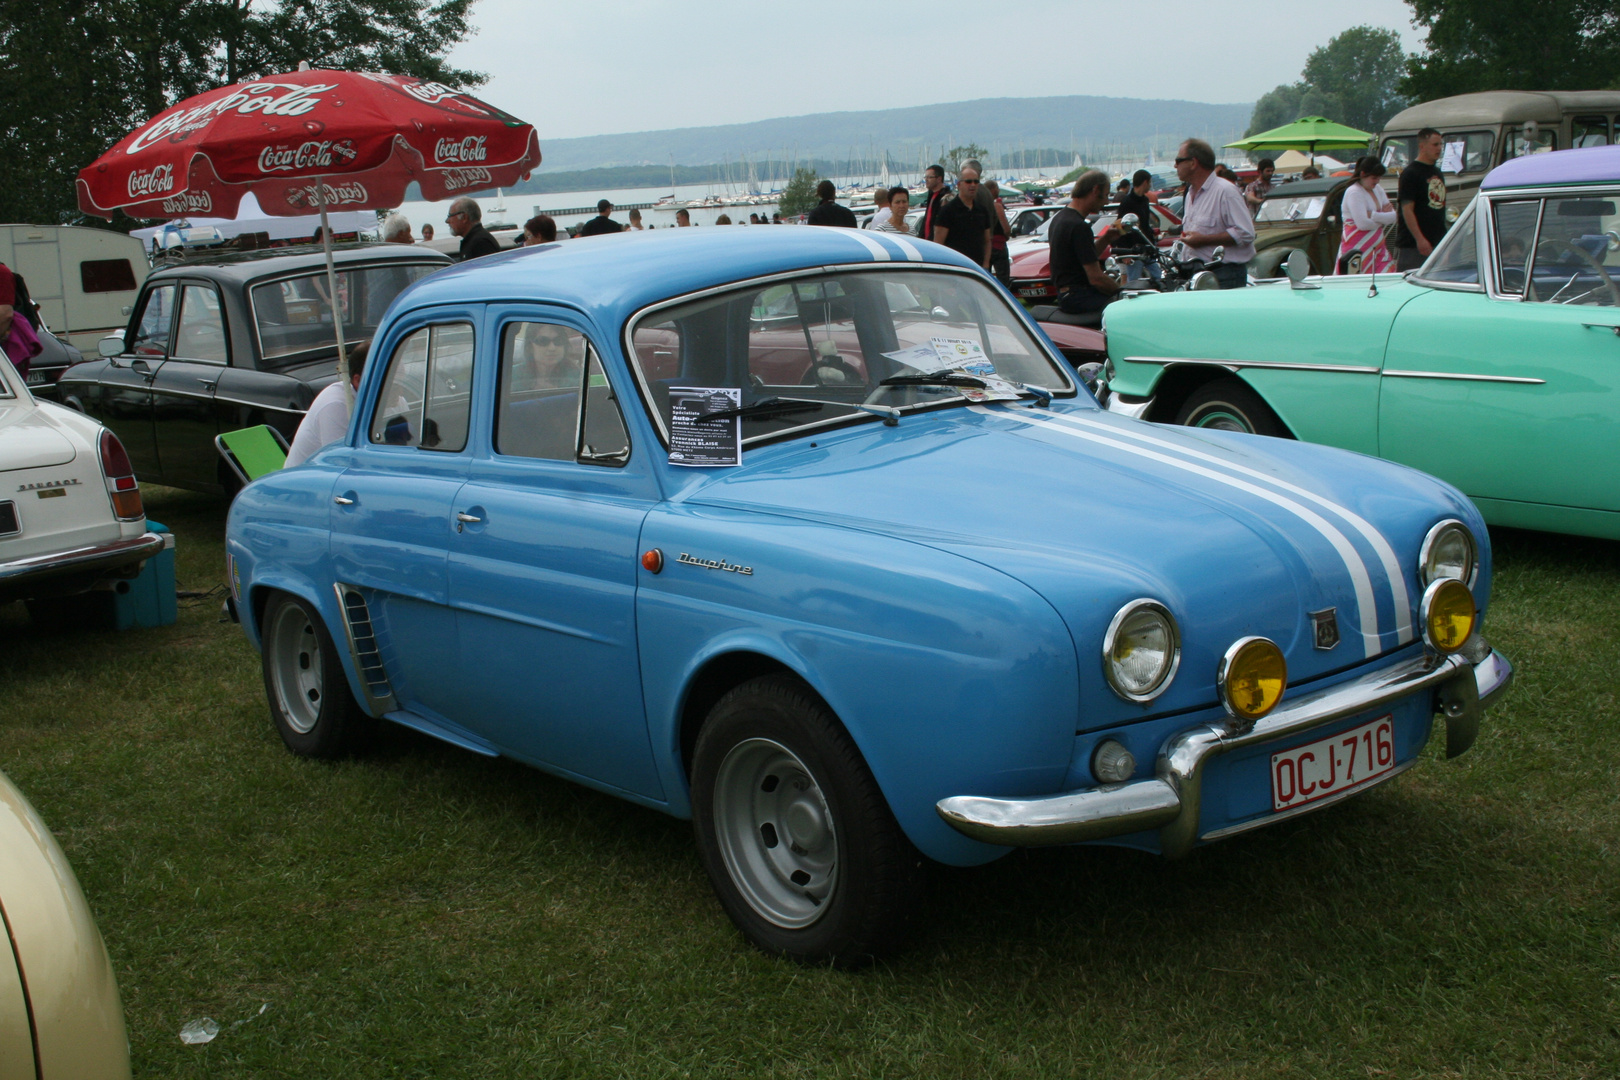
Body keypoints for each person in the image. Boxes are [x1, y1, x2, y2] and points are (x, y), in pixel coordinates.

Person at [1174, 137, 1255, 288]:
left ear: (1193, 163)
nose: (1175, 165)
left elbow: (1246, 233)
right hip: (1199, 275)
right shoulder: (1190, 193)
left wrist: (1204, 240)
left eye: (1178, 160)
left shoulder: (1225, 191)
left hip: (1225, 274)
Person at [1048, 170, 1123, 315]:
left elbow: (1084, 256)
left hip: (1066, 295)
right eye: (1106, 195)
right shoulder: (1078, 226)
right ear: (1095, 190)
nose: (1106, 201)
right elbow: (1096, 279)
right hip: (1079, 296)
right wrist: (1122, 292)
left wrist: (1106, 238)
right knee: (1124, 311)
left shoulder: (1061, 218)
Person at [286, 340, 370, 467]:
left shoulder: (395, 399)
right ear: (358, 380)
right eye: (392, 380)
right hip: (308, 482)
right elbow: (341, 465)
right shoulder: (336, 405)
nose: (400, 388)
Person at [1395, 127, 1446, 271]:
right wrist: (1419, 239)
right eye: (1435, 145)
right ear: (1422, 146)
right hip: (1413, 245)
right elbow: (1407, 209)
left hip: (1437, 240)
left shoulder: (1437, 172)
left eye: (1441, 145)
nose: (1439, 148)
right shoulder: (1411, 173)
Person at [1335, 156, 1398, 274]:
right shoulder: (1354, 192)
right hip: (1356, 250)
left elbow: (1394, 216)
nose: (1377, 181)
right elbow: (1363, 224)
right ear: (1363, 174)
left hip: (1378, 249)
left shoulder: (1378, 189)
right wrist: (1383, 216)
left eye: (1379, 178)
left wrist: (1373, 215)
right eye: (1374, 178)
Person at [932, 167, 993, 270]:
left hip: (978, 269)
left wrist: (986, 264)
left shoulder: (982, 210)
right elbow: (938, 245)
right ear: (959, 184)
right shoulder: (947, 211)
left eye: (976, 181)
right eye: (968, 182)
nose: (973, 185)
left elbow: (987, 241)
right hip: (955, 269)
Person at [1114, 169, 1161, 284]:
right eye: (1149, 183)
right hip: (1133, 249)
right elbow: (1121, 226)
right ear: (1145, 182)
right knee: (1133, 280)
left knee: (1157, 275)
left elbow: (1144, 224)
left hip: (1146, 246)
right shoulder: (1127, 202)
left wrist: (1153, 237)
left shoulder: (1145, 200)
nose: (1150, 186)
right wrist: (1125, 253)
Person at [984, 179, 1014, 286]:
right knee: (1003, 277)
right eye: (997, 188)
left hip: (984, 245)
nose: (998, 190)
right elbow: (1005, 228)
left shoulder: (980, 205)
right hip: (998, 244)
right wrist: (1007, 235)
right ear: (992, 190)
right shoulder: (996, 206)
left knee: (985, 276)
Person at [914, 164, 950, 240]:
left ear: (939, 179)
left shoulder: (946, 197)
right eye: (925, 177)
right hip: (926, 242)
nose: (926, 180)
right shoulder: (931, 195)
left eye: (929, 177)